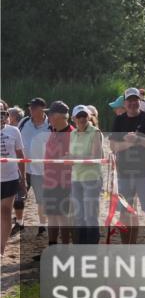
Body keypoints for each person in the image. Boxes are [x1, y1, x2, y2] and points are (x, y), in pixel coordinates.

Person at [109, 88, 145, 244]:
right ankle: (128, 246)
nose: (133, 103)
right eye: (129, 100)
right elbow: (113, 146)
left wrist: (137, 139)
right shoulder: (119, 120)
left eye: (135, 100)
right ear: (125, 103)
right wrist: (128, 142)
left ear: (140, 101)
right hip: (124, 173)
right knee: (126, 212)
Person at [68, 105, 103, 244]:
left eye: (84, 116)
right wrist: (69, 158)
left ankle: (92, 246)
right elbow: (72, 155)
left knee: (90, 215)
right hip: (76, 178)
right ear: (74, 119)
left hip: (91, 178)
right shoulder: (72, 133)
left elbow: (95, 156)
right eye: (79, 116)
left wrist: (73, 159)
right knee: (79, 215)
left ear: (89, 116)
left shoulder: (95, 132)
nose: (82, 119)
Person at [42, 101, 74, 249]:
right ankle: (52, 247)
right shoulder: (53, 132)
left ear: (60, 116)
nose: (48, 116)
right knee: (52, 216)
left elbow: (75, 160)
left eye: (51, 114)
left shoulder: (72, 134)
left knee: (63, 216)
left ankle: (65, 248)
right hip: (50, 181)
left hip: (65, 183)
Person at [19, 98, 50, 238]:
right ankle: (19, 223)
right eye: (30, 107)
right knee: (19, 197)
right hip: (23, 167)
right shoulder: (24, 122)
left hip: (42, 169)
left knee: (41, 200)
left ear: (42, 109)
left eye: (33, 107)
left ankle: (43, 226)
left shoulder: (50, 124)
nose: (30, 110)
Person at [1, 102, 26, 255]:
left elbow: (20, 156)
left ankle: (1, 250)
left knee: (5, 211)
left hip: (9, 178)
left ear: (6, 115)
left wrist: (23, 179)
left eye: (2, 113)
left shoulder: (14, 131)